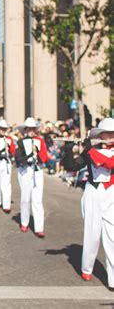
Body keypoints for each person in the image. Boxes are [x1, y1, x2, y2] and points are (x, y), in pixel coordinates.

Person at [62, 118, 113, 290]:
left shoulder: (93, 151)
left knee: (112, 236)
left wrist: (90, 149)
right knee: (92, 232)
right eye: (108, 133)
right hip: (93, 193)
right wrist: (68, 150)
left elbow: (110, 163)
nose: (111, 136)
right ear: (101, 135)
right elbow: (71, 167)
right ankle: (87, 268)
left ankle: (113, 278)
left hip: (111, 194)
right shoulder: (92, 151)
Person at [15, 117, 48, 238]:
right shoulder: (20, 142)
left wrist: (38, 154)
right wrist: (29, 155)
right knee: (25, 198)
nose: (31, 130)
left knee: (37, 199)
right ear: (25, 129)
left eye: (33, 128)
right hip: (25, 170)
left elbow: (45, 157)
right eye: (29, 128)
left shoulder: (40, 141)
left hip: (37, 170)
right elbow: (18, 159)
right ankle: (24, 222)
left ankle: (39, 227)